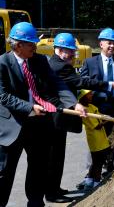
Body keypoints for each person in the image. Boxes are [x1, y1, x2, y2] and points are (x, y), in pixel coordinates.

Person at [0, 22, 86, 207]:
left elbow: (57, 83)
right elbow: (3, 96)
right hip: (12, 126)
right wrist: (29, 107)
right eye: (30, 43)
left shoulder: (39, 61)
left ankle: (36, 203)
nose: (35, 46)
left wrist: (74, 103)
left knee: (38, 169)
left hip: (38, 125)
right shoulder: (2, 63)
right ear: (17, 45)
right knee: (4, 174)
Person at [46, 32, 114, 202]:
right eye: (71, 51)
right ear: (60, 50)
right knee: (54, 157)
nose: (74, 55)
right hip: (55, 120)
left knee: (58, 156)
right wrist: (110, 84)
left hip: (60, 118)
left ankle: (54, 188)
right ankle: (51, 193)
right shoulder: (60, 66)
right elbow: (82, 82)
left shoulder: (55, 63)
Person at [80, 28, 114, 174]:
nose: (112, 46)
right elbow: (83, 83)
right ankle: (92, 173)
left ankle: (108, 171)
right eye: (109, 43)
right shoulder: (90, 62)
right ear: (101, 44)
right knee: (95, 141)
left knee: (111, 141)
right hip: (96, 108)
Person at [78, 90, 111, 189]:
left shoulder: (92, 107)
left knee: (96, 161)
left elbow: (99, 116)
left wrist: (104, 117)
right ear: (83, 97)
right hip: (95, 140)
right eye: (89, 95)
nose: (91, 96)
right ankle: (97, 182)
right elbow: (96, 126)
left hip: (101, 138)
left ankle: (89, 180)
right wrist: (106, 120)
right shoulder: (84, 111)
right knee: (98, 161)